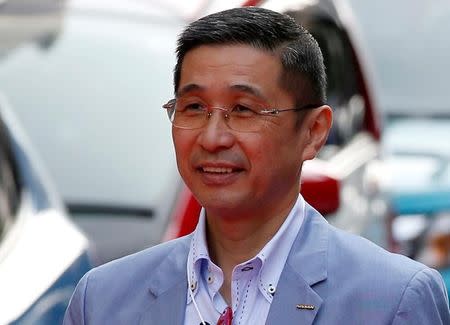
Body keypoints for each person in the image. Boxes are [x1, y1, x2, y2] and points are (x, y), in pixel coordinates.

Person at [64, 7, 450, 325]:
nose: (213, 138)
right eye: (194, 107)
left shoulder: (393, 301)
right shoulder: (102, 301)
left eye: (244, 110)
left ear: (314, 132)